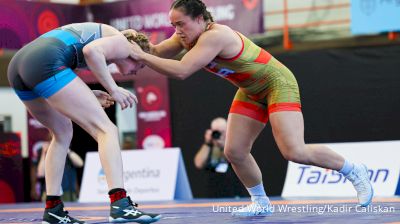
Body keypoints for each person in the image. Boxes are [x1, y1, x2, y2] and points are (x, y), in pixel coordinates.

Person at [127, 0, 374, 217]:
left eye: (181, 24)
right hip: (251, 90)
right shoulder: (186, 36)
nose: (177, 31)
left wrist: (141, 56)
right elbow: (156, 52)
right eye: (174, 26)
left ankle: (354, 171)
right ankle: (260, 202)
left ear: (200, 19)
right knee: (234, 151)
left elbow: (180, 71)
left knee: (294, 151)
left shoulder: (215, 36)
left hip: (277, 83)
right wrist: (131, 41)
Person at [7, 22, 161, 223]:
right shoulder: (124, 44)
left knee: (62, 134)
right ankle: (120, 204)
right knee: (107, 130)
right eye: (140, 64)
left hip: (20, 64)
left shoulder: (105, 42)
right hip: (45, 60)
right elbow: (91, 51)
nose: (137, 70)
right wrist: (113, 89)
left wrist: (88, 93)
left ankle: (53, 208)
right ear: (136, 51)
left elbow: (71, 65)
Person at [194, 117, 246, 198]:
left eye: (222, 132)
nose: (219, 134)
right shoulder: (209, 146)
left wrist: (223, 145)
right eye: (216, 131)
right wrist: (207, 143)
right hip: (212, 193)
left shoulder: (233, 144)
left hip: (234, 192)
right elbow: (198, 163)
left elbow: (235, 160)